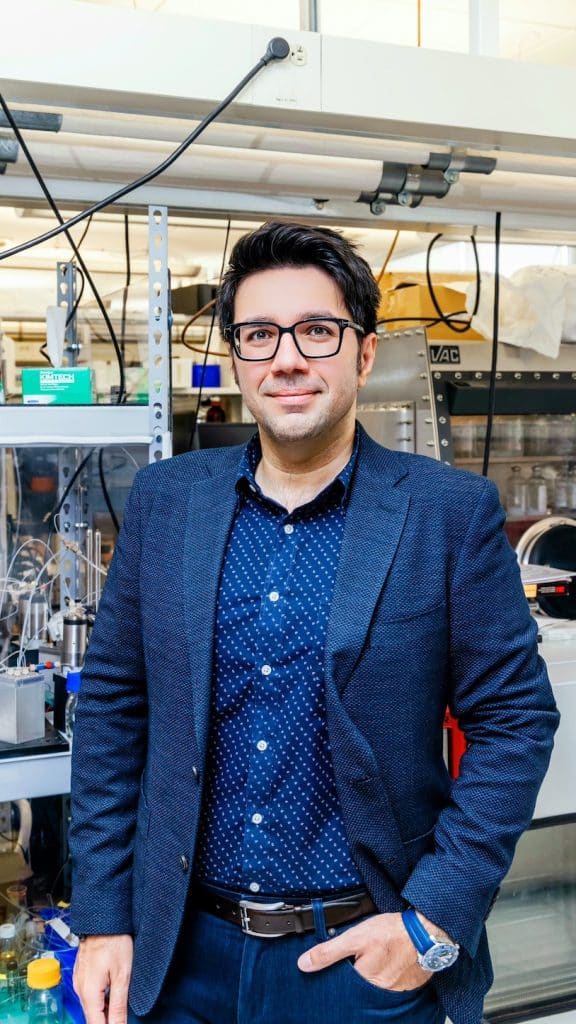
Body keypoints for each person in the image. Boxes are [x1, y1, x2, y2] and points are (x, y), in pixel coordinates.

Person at [69, 221, 559, 1024]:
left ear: (362, 354)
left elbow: (514, 720)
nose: (286, 358)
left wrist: (433, 919)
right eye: (259, 334)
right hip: (177, 956)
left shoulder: (445, 512)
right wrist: (102, 915)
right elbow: (115, 706)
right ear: (236, 358)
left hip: (358, 960)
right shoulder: (168, 501)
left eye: (317, 331)